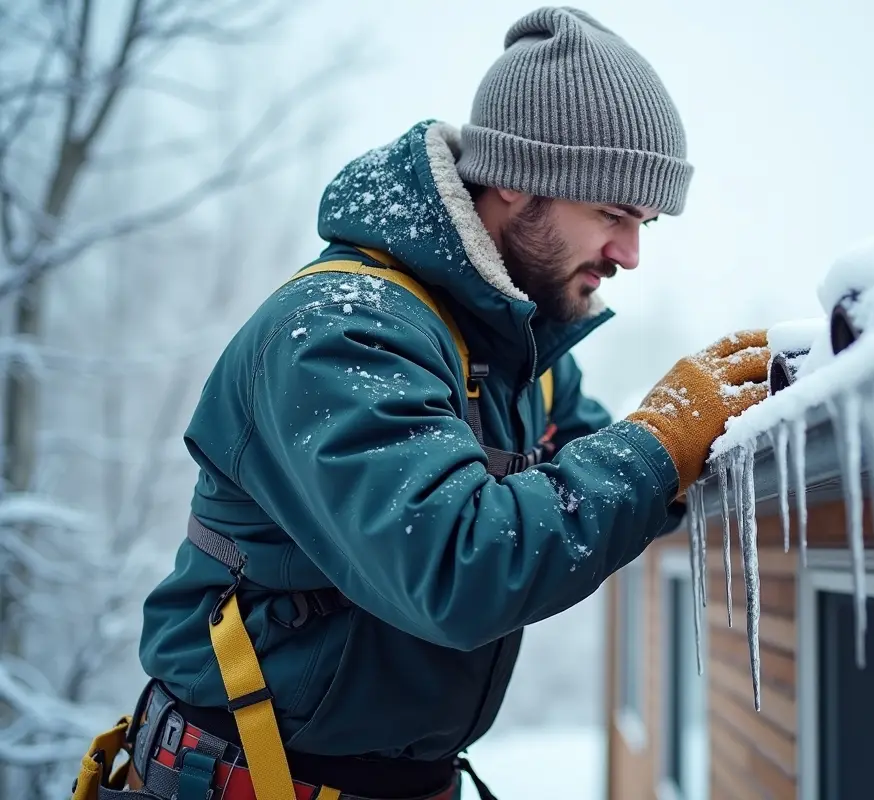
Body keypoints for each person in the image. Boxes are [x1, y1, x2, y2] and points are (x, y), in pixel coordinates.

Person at [75, 7, 768, 800]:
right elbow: (458, 567)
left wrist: (740, 420)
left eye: (642, 222)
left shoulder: (516, 354)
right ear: (515, 176)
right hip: (248, 781)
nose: (630, 254)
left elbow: (620, 486)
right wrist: (659, 441)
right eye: (611, 214)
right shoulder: (340, 332)